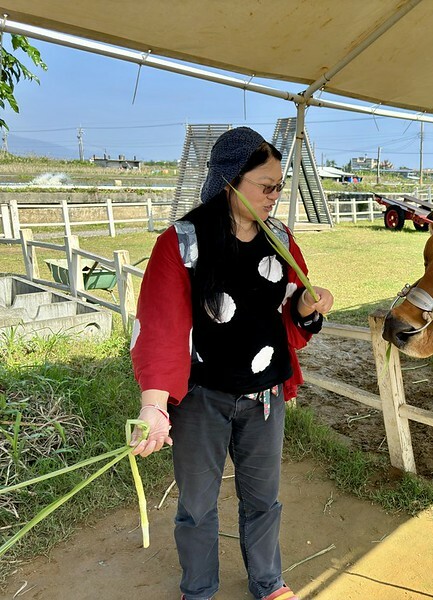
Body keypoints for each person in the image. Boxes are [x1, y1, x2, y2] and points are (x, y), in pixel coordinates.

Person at [129, 126, 333, 600]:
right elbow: (161, 325)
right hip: (202, 398)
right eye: (266, 186)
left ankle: (267, 582)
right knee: (197, 506)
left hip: (265, 398)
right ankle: (199, 590)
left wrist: (306, 305)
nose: (275, 196)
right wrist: (155, 406)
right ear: (229, 181)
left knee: (263, 500)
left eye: (280, 186)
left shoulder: (280, 240)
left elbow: (290, 311)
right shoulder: (183, 242)